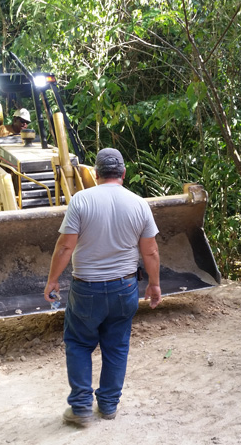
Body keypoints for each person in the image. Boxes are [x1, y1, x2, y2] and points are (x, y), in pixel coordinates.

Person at [44, 148, 162, 426]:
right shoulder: (139, 203)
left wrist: (52, 279)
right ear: (123, 173)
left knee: (78, 344)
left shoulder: (81, 201)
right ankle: (108, 405)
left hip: (87, 289)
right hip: (125, 288)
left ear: (95, 174)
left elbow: (65, 246)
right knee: (117, 346)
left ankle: (82, 407)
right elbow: (151, 252)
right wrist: (154, 284)